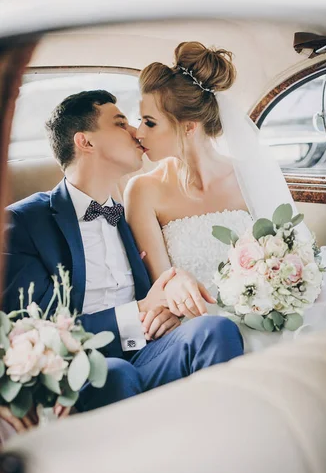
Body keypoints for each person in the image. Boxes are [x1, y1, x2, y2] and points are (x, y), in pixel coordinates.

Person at [124, 41, 326, 353]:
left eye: (149, 122)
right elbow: (165, 285)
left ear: (188, 126)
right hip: (204, 325)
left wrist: (276, 290)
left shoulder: (248, 176)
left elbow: (291, 250)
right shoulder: (142, 191)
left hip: (267, 313)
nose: (138, 133)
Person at [1, 90, 243, 444]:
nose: (135, 131)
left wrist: (167, 303)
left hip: (150, 348)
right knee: (113, 374)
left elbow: (162, 281)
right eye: (119, 122)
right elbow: (35, 328)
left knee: (214, 331)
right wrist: (141, 311)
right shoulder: (24, 223)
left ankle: (221, 450)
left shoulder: (131, 209)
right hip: (84, 363)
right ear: (85, 142)